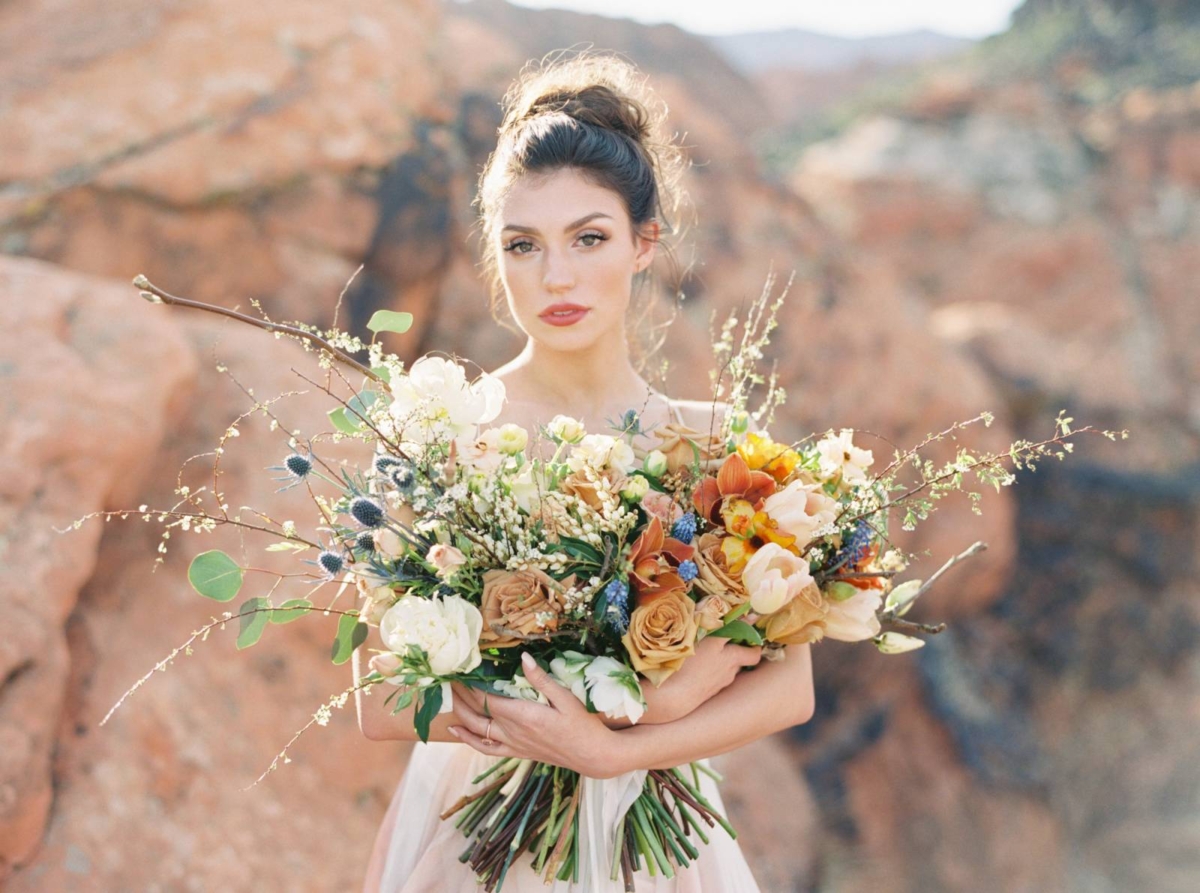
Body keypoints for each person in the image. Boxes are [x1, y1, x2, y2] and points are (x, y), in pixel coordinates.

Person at [353, 50, 815, 892]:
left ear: (645, 244)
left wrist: (622, 746)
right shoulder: (443, 434)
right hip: (478, 833)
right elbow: (374, 698)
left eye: (588, 238)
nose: (555, 276)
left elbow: (791, 689)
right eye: (523, 245)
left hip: (659, 845)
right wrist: (630, 707)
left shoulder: (712, 446)